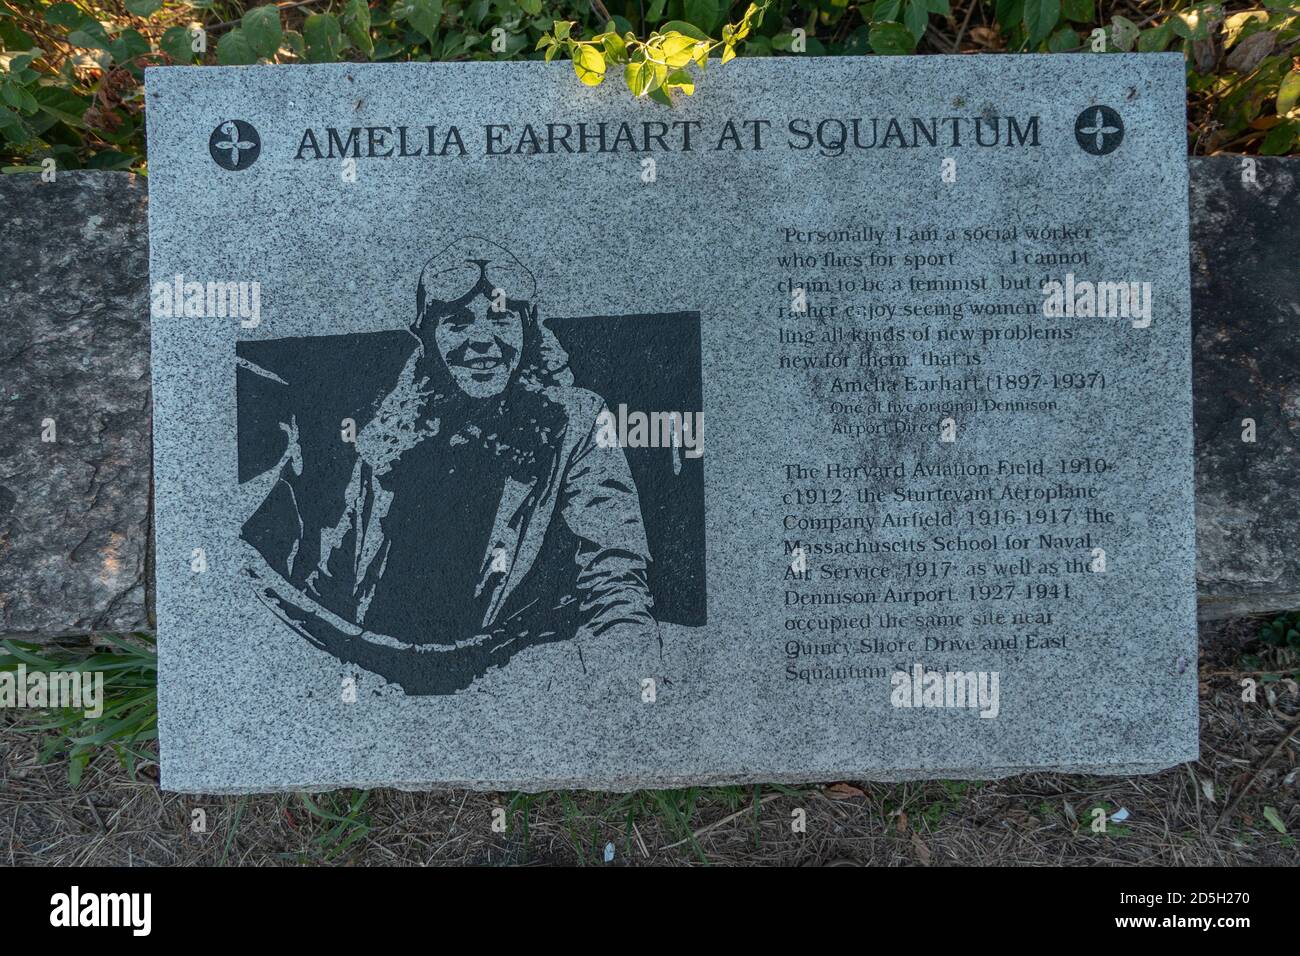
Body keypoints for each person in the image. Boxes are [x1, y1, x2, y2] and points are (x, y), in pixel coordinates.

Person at [240, 237, 658, 694]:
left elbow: (614, 573)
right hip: (381, 674)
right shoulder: (393, 432)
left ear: (528, 330)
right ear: (429, 336)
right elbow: (342, 581)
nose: (482, 341)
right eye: (457, 321)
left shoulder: (574, 422)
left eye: (501, 317)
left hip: (504, 675)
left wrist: (627, 678)